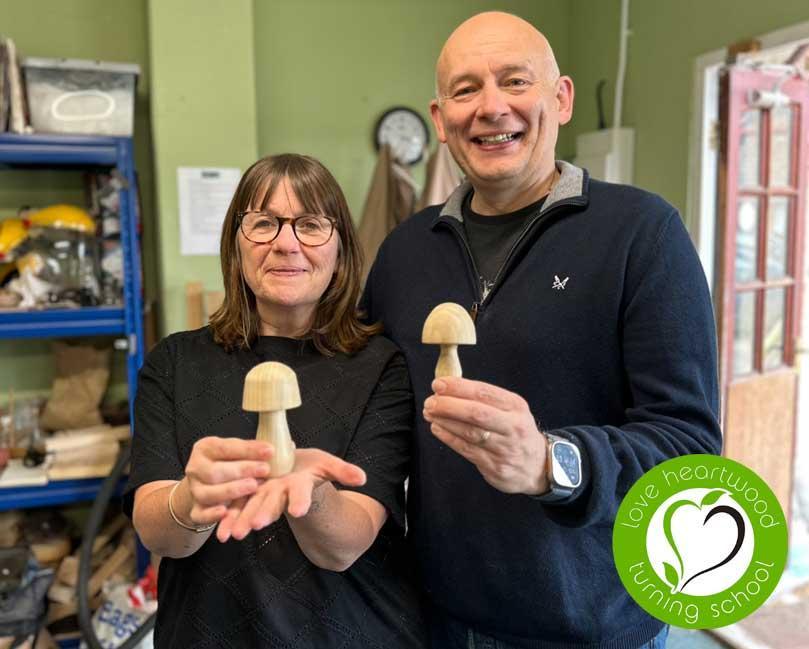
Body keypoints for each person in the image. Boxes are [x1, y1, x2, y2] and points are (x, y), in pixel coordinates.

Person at [361, 11, 722, 649]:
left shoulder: (642, 235)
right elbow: (368, 409)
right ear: (440, 118)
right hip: (436, 618)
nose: (491, 107)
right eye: (466, 90)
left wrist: (550, 463)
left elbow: (689, 456)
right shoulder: (404, 253)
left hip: (590, 629)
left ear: (561, 98)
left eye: (515, 81)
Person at [125, 154, 427, 648]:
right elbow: (160, 536)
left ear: (342, 251)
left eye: (310, 224)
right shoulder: (175, 362)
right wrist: (192, 499)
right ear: (236, 245)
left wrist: (309, 493)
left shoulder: (381, 365)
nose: (286, 243)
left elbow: (344, 546)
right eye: (263, 223)